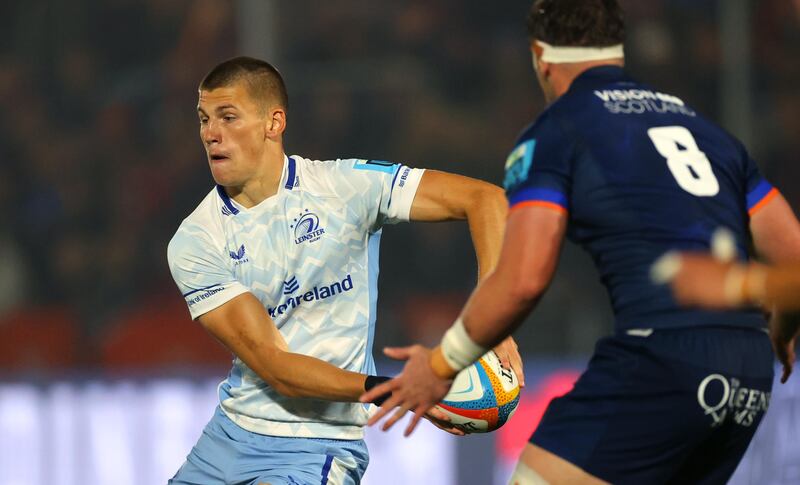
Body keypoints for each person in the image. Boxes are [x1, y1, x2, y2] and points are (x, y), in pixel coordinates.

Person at [361, 1, 800, 483]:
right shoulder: (707, 132)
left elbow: (525, 280)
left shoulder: (557, 131)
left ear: (540, 57)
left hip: (661, 359)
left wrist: (444, 363)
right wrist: (779, 328)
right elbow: (792, 253)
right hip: (750, 369)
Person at [166, 56, 522, 485]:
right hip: (229, 439)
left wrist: (494, 319)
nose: (210, 134)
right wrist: (396, 390)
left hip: (319, 445)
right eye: (204, 119)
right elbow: (277, 365)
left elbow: (486, 200)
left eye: (227, 117)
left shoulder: (346, 188)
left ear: (273, 123)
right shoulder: (196, 239)